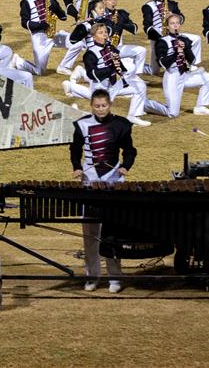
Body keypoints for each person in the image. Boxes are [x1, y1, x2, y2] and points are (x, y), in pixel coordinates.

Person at [71, 89, 136, 293]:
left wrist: (126, 165)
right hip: (90, 178)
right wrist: (76, 166)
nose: (101, 109)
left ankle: (115, 278)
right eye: (97, 106)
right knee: (90, 230)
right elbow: (75, 149)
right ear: (92, 106)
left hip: (112, 177)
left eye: (104, 105)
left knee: (112, 230)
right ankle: (92, 276)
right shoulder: (82, 124)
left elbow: (130, 150)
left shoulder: (121, 124)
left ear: (110, 105)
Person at [83, 25, 164, 127]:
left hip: (114, 84)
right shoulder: (90, 53)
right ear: (93, 37)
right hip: (100, 87)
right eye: (100, 33)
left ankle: (133, 116)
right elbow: (92, 74)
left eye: (105, 32)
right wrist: (111, 68)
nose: (104, 34)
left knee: (140, 86)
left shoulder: (110, 47)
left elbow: (119, 65)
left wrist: (122, 70)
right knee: (100, 119)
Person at [155, 14, 209, 117]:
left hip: (184, 75)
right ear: (167, 26)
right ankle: (146, 104)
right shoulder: (162, 42)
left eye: (177, 23)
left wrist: (186, 48)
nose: (175, 26)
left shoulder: (184, 39)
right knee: (173, 113)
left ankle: (200, 107)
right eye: (172, 23)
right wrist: (176, 53)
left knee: (208, 77)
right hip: (172, 77)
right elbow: (162, 63)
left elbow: (192, 60)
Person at [141, 0, 202, 75]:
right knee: (155, 71)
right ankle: (141, 66)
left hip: (174, 34)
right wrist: (161, 38)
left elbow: (182, 18)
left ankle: (192, 64)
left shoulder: (172, 4)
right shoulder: (148, 6)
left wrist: (174, 15)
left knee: (196, 39)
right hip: (158, 38)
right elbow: (147, 27)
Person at [19, 0, 69, 75]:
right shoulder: (27, 1)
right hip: (39, 36)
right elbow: (24, 22)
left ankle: (63, 67)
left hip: (52, 34)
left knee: (76, 42)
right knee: (40, 71)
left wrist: (56, 8)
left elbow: (63, 17)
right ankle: (19, 62)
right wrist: (40, 25)